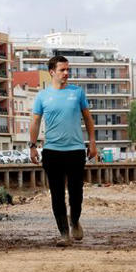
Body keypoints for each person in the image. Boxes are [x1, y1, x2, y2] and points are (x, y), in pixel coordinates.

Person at [29, 55, 97, 246]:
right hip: (52, 151)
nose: (67, 73)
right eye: (62, 70)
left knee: (76, 193)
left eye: (68, 70)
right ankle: (64, 234)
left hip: (75, 150)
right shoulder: (42, 96)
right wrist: (33, 146)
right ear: (52, 72)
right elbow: (35, 122)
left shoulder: (77, 93)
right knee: (57, 194)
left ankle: (74, 220)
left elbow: (88, 119)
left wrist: (92, 143)